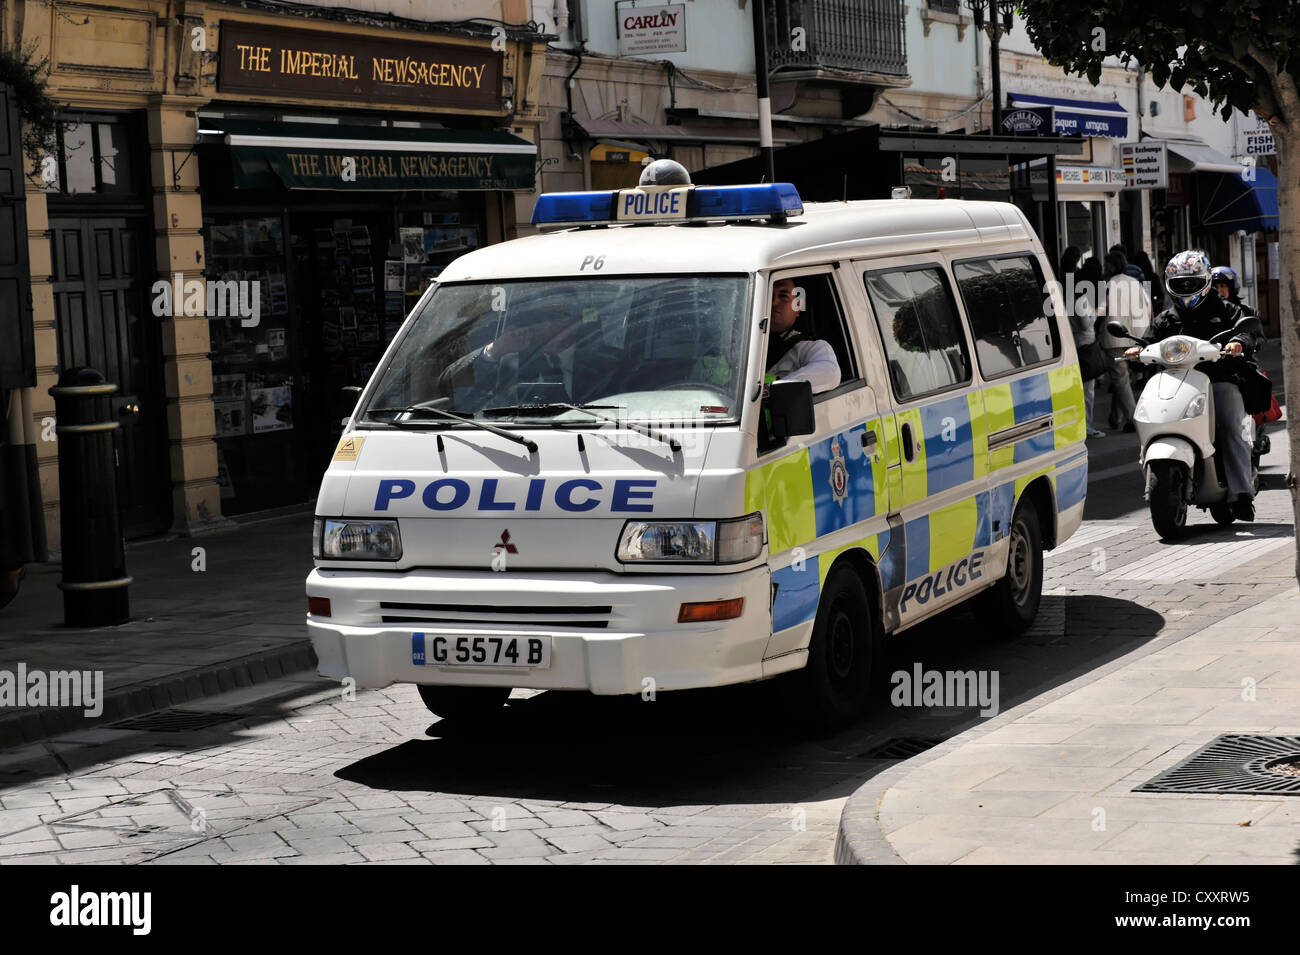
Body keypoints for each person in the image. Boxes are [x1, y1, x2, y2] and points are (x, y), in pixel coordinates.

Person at [1125, 250, 1264, 521]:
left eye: (1192, 282)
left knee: (1232, 425)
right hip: (1176, 381)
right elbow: (1148, 340)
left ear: (1205, 281)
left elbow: (1249, 330)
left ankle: (1242, 493)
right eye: (1181, 284)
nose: (1187, 288)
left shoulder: (1226, 309)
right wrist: (1136, 350)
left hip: (1220, 380)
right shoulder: (1167, 318)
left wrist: (1240, 343)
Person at [438, 306, 571, 409]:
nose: (548, 328)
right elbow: (449, 384)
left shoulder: (551, 362)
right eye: (530, 328)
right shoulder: (492, 351)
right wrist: (496, 350)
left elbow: (565, 409)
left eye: (561, 319)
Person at [1098, 250, 1147, 432]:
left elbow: (1101, 310)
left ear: (1110, 266)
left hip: (1115, 338)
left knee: (1120, 379)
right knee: (1122, 378)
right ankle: (1115, 417)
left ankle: (1133, 418)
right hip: (1135, 336)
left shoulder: (1109, 284)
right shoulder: (1135, 283)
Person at [766, 277, 841, 394]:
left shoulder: (810, 348)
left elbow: (829, 373)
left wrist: (769, 391)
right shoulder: (738, 345)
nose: (773, 302)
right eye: (768, 295)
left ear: (798, 306)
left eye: (783, 296)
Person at [1069, 256, 1106, 437]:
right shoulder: (1081, 301)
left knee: (1083, 389)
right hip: (1085, 345)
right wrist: (1097, 313)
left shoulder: (1072, 298)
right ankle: (1087, 427)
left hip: (1078, 344)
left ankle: (1084, 425)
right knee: (1087, 391)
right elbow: (1086, 324)